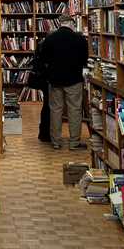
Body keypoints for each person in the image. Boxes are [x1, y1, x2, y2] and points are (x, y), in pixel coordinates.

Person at [34, 19, 90, 151]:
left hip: (55, 80)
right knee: (75, 110)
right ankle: (74, 142)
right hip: (74, 79)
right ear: (72, 24)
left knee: (55, 110)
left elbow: (43, 58)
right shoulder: (80, 39)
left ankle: (56, 141)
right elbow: (84, 59)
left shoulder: (50, 38)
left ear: (60, 24)